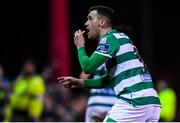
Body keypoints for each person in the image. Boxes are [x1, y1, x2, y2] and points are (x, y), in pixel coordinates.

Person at [58, 5, 161, 122]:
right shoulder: (120, 38)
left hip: (133, 101)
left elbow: (87, 68)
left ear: (102, 23)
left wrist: (80, 46)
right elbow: (108, 80)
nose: (86, 23)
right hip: (151, 103)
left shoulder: (110, 38)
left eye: (90, 18)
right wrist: (82, 83)